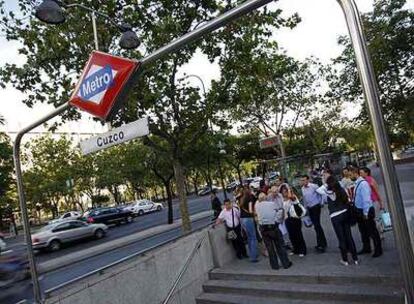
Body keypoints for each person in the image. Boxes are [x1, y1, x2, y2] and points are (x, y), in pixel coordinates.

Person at [319, 176, 359, 266]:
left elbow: (319, 190)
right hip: (345, 213)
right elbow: (347, 199)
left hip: (335, 216)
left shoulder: (329, 193)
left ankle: (345, 259)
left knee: (341, 238)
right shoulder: (341, 190)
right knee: (349, 236)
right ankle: (355, 258)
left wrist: (326, 184)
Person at [349, 167, 382, 257]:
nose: (349, 176)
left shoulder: (363, 184)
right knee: (363, 231)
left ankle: (378, 249)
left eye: (350, 174)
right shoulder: (357, 183)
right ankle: (366, 247)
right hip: (359, 210)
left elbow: (366, 199)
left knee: (372, 231)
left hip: (365, 210)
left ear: (355, 173)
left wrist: (366, 213)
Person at [255, 192, 292, 270]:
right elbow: (279, 212)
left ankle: (274, 266)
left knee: (270, 248)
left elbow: (258, 217)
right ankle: (285, 263)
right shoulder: (271, 204)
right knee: (280, 246)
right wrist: (277, 220)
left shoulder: (257, 206)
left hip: (263, 228)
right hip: (273, 227)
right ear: (265, 197)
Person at [300, 175, 327, 252]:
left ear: (308, 180)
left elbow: (322, 193)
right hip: (309, 208)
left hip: (316, 207)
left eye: (304, 180)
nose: (303, 182)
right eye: (302, 180)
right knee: (316, 226)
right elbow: (305, 200)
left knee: (317, 225)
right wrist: (305, 209)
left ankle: (321, 245)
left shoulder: (313, 186)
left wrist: (321, 202)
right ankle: (321, 243)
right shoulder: (302, 189)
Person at [280, 184, 307, 256]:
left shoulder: (292, 197)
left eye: (285, 191)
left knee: (298, 234)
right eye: (283, 191)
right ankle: (296, 249)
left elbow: (291, 198)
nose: (284, 192)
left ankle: (302, 250)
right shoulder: (282, 200)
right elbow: (283, 210)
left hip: (295, 218)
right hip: (287, 219)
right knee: (291, 235)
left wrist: (289, 191)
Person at [238, 188, 259, 262]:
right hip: (248, 219)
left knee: (249, 237)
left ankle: (252, 254)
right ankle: (253, 257)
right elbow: (250, 211)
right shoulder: (250, 198)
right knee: (253, 237)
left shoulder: (241, 199)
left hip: (242, 219)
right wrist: (255, 213)